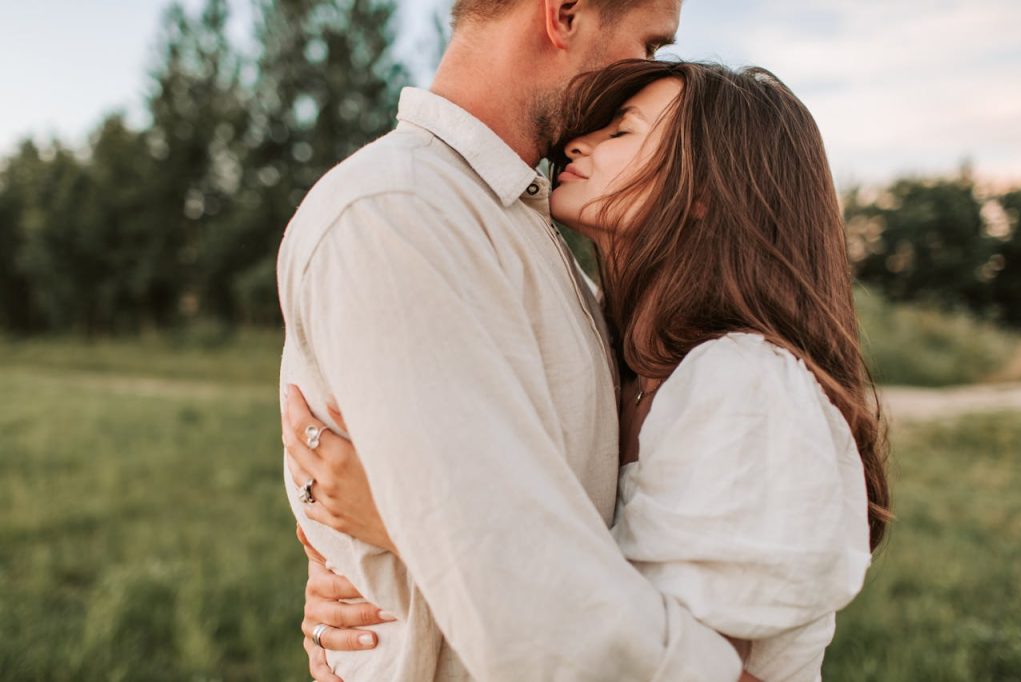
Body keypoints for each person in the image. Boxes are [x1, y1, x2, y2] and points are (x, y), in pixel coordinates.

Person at [282, 59, 890, 681]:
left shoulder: (743, 386)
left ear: (707, 190)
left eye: (622, 131)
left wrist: (410, 525)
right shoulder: (611, 348)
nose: (578, 142)